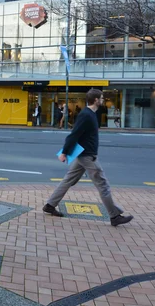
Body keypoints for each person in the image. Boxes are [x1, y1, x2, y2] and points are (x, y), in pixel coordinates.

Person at [43, 89, 134, 227]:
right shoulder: (86, 115)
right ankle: (114, 216)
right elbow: (74, 135)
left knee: (68, 180)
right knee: (103, 185)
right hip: (88, 157)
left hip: (83, 155)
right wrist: (64, 152)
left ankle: (50, 205)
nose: (103, 100)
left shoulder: (91, 114)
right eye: (101, 98)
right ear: (96, 100)